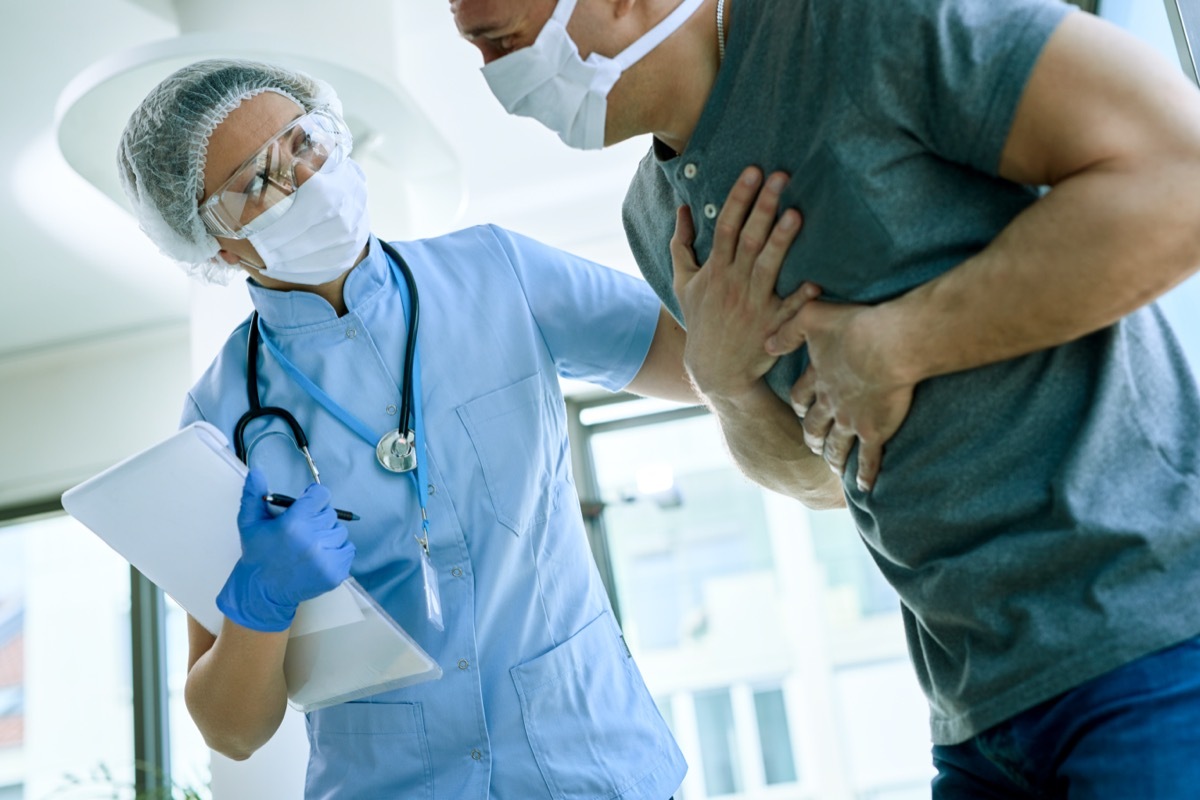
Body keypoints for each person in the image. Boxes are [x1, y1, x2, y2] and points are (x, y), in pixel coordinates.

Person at [451, 0, 1200, 796]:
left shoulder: (860, 24)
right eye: (484, 51)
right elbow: (824, 481)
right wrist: (726, 384)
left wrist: (902, 343)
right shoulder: (653, 221)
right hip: (975, 712)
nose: (473, 36)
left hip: (1147, 642)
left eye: (501, 41)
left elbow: (1180, 173)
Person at [115, 58, 814, 798]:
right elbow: (233, 730)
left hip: (591, 763)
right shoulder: (221, 413)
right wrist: (261, 600)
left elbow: (702, 362)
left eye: (302, 142)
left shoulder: (497, 271)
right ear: (216, 246)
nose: (302, 179)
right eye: (254, 184)